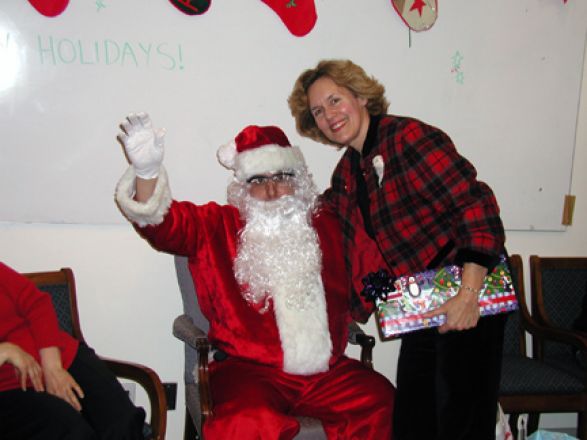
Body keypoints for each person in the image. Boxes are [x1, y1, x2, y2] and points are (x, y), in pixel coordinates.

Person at [114, 113, 395, 439]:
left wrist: (381, 194)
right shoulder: (217, 226)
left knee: (382, 402)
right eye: (259, 180)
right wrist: (147, 173)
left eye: (282, 177)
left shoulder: (328, 225)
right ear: (243, 188)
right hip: (248, 371)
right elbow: (166, 227)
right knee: (244, 422)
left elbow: (372, 260)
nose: (273, 190)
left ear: (299, 181)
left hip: (327, 373)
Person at [288, 59, 507, 440]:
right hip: (421, 301)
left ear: (360, 96)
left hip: (468, 290)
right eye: (318, 111)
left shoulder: (409, 138)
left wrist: (468, 295)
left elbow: (477, 206)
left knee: (460, 419)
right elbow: (337, 230)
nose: (329, 116)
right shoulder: (347, 172)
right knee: (412, 420)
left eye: (335, 100)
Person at [0, 261, 146, 440]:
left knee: (123, 422)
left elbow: (37, 303)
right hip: (13, 387)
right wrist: (5, 350)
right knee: (73, 431)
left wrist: (53, 368)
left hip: (61, 355)